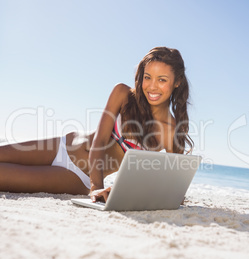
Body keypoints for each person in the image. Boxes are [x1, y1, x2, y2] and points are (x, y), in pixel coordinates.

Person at [0, 47, 193, 201]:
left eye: (162, 80)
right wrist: (98, 188)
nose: (152, 86)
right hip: (62, 144)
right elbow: (99, 141)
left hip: (78, 175)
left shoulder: (170, 131)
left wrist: (97, 188)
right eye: (148, 77)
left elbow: (172, 184)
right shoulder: (123, 94)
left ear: (177, 82)